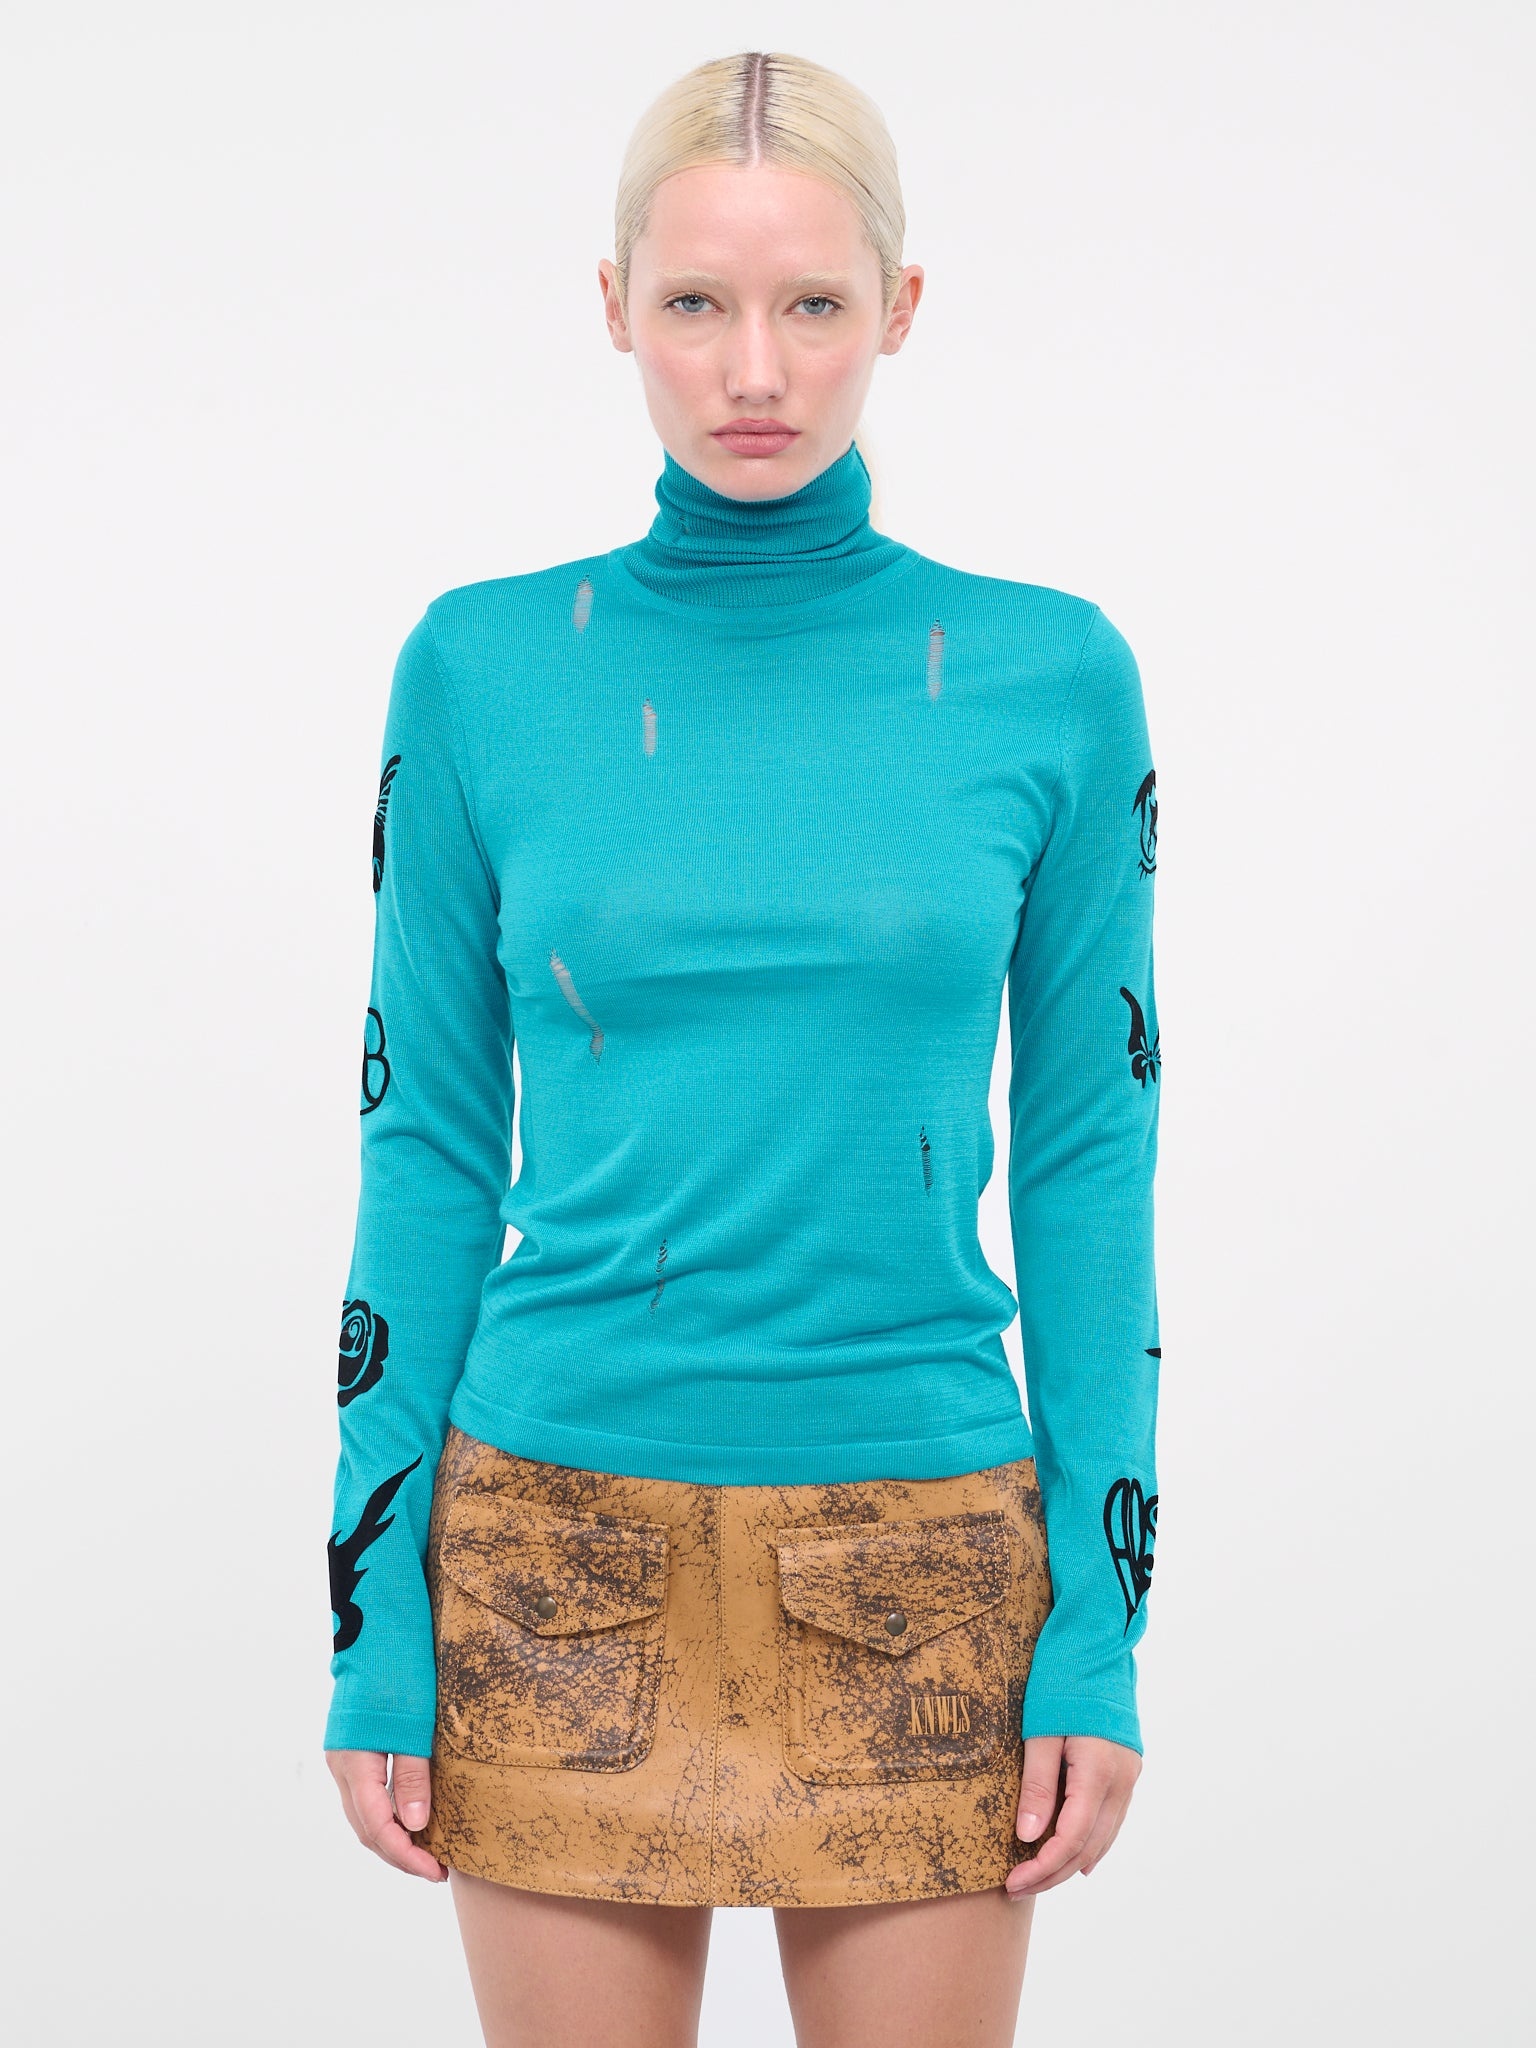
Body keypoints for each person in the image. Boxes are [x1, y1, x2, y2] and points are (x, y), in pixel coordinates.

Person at [325, 48, 1161, 2048]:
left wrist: (1101, 1623)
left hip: (923, 1548)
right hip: (552, 1548)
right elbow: (423, 1141)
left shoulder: (1052, 675)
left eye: (813, 304)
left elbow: (1090, 1157)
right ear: (614, 303)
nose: (755, 370)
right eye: (697, 302)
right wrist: (371, 1613)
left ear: (902, 308)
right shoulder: (479, 667)